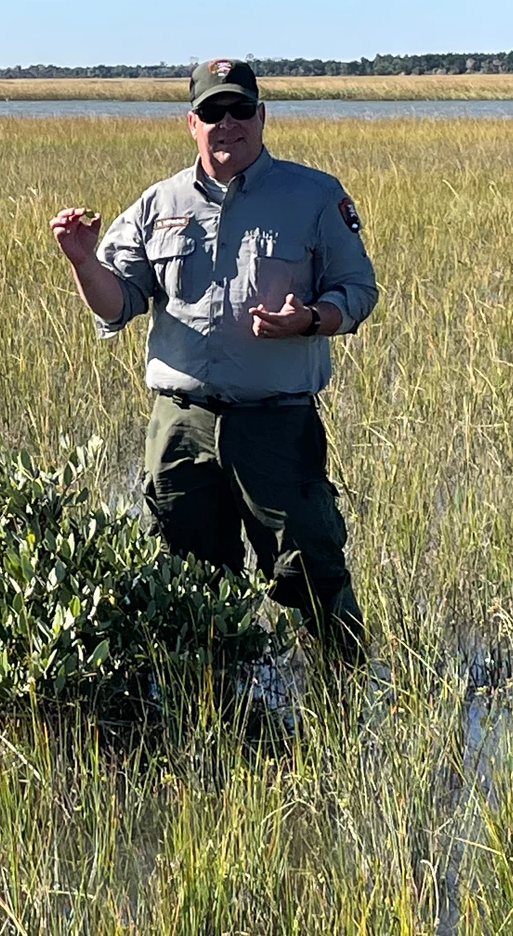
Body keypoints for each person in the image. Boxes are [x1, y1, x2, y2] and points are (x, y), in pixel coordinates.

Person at [49, 58, 378, 663]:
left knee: (311, 567)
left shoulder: (314, 195)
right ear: (191, 123)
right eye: (212, 112)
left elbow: (358, 291)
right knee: (190, 582)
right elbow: (118, 304)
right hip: (181, 425)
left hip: (276, 422)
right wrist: (82, 262)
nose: (227, 124)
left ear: (261, 115)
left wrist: (308, 319)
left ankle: (346, 694)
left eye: (239, 110)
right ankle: (213, 705)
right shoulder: (157, 204)